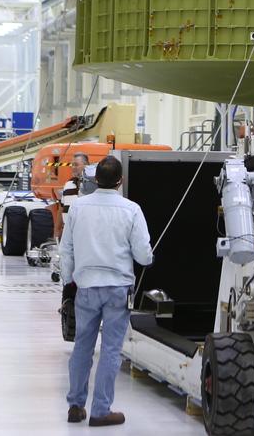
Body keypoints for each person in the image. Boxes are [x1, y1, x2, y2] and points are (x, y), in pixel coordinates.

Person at [61, 155, 153, 427]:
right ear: (120, 181)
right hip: (117, 290)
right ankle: (101, 410)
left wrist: (69, 283)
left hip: (86, 287)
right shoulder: (132, 209)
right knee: (111, 350)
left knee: (82, 347)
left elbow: (66, 250)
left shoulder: (78, 208)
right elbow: (143, 256)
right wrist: (149, 257)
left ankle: (75, 406)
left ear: (93, 179)